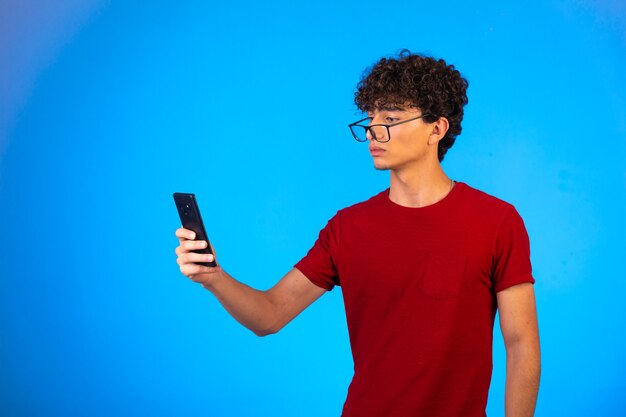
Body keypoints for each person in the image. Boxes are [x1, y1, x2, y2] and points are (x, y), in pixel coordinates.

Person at [174, 50, 540, 417]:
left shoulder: (496, 221)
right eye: (370, 119)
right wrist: (212, 277)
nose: (372, 132)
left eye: (391, 118)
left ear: (437, 128)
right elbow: (269, 315)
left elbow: (521, 343)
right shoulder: (347, 228)